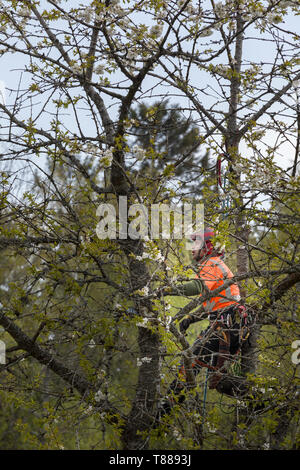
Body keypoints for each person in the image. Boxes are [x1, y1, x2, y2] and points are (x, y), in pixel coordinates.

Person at [158, 228, 247, 415]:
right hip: (226, 325)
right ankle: (169, 407)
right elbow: (214, 303)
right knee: (199, 365)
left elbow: (197, 286)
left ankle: (164, 411)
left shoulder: (212, 263)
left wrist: (168, 290)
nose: (192, 250)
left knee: (191, 361)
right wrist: (191, 318)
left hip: (226, 326)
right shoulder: (213, 265)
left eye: (195, 245)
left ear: (207, 247)